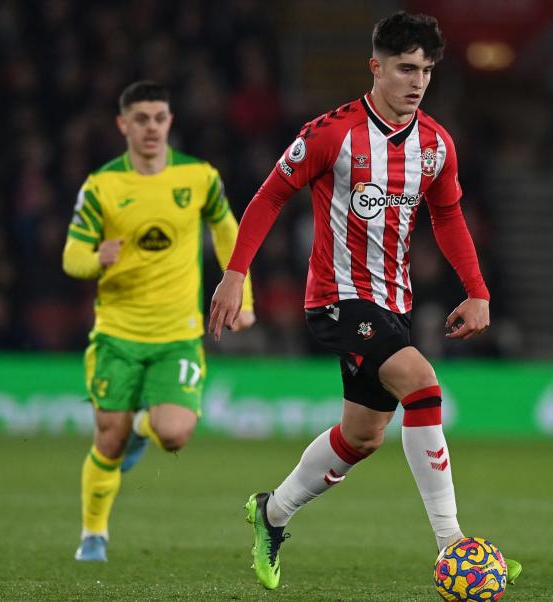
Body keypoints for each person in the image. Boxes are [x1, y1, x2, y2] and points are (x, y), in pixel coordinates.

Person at [208, 11, 521, 591]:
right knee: (424, 386)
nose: (417, 81)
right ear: (376, 67)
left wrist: (477, 290)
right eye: (406, 68)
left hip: (392, 303)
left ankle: (271, 513)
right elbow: (269, 196)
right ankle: (455, 545)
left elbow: (447, 214)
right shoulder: (332, 133)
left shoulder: (436, 145)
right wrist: (234, 274)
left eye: (426, 70)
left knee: (363, 436)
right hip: (336, 299)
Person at [63, 80, 255, 562]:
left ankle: (142, 434)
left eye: (160, 118)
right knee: (108, 436)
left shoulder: (199, 178)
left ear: (170, 122)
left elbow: (228, 231)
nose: (151, 128)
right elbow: (71, 256)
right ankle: (93, 535)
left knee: (174, 433)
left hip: (177, 336)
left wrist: (242, 296)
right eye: (141, 119)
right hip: (116, 334)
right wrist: (95, 259)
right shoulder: (102, 185)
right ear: (123, 124)